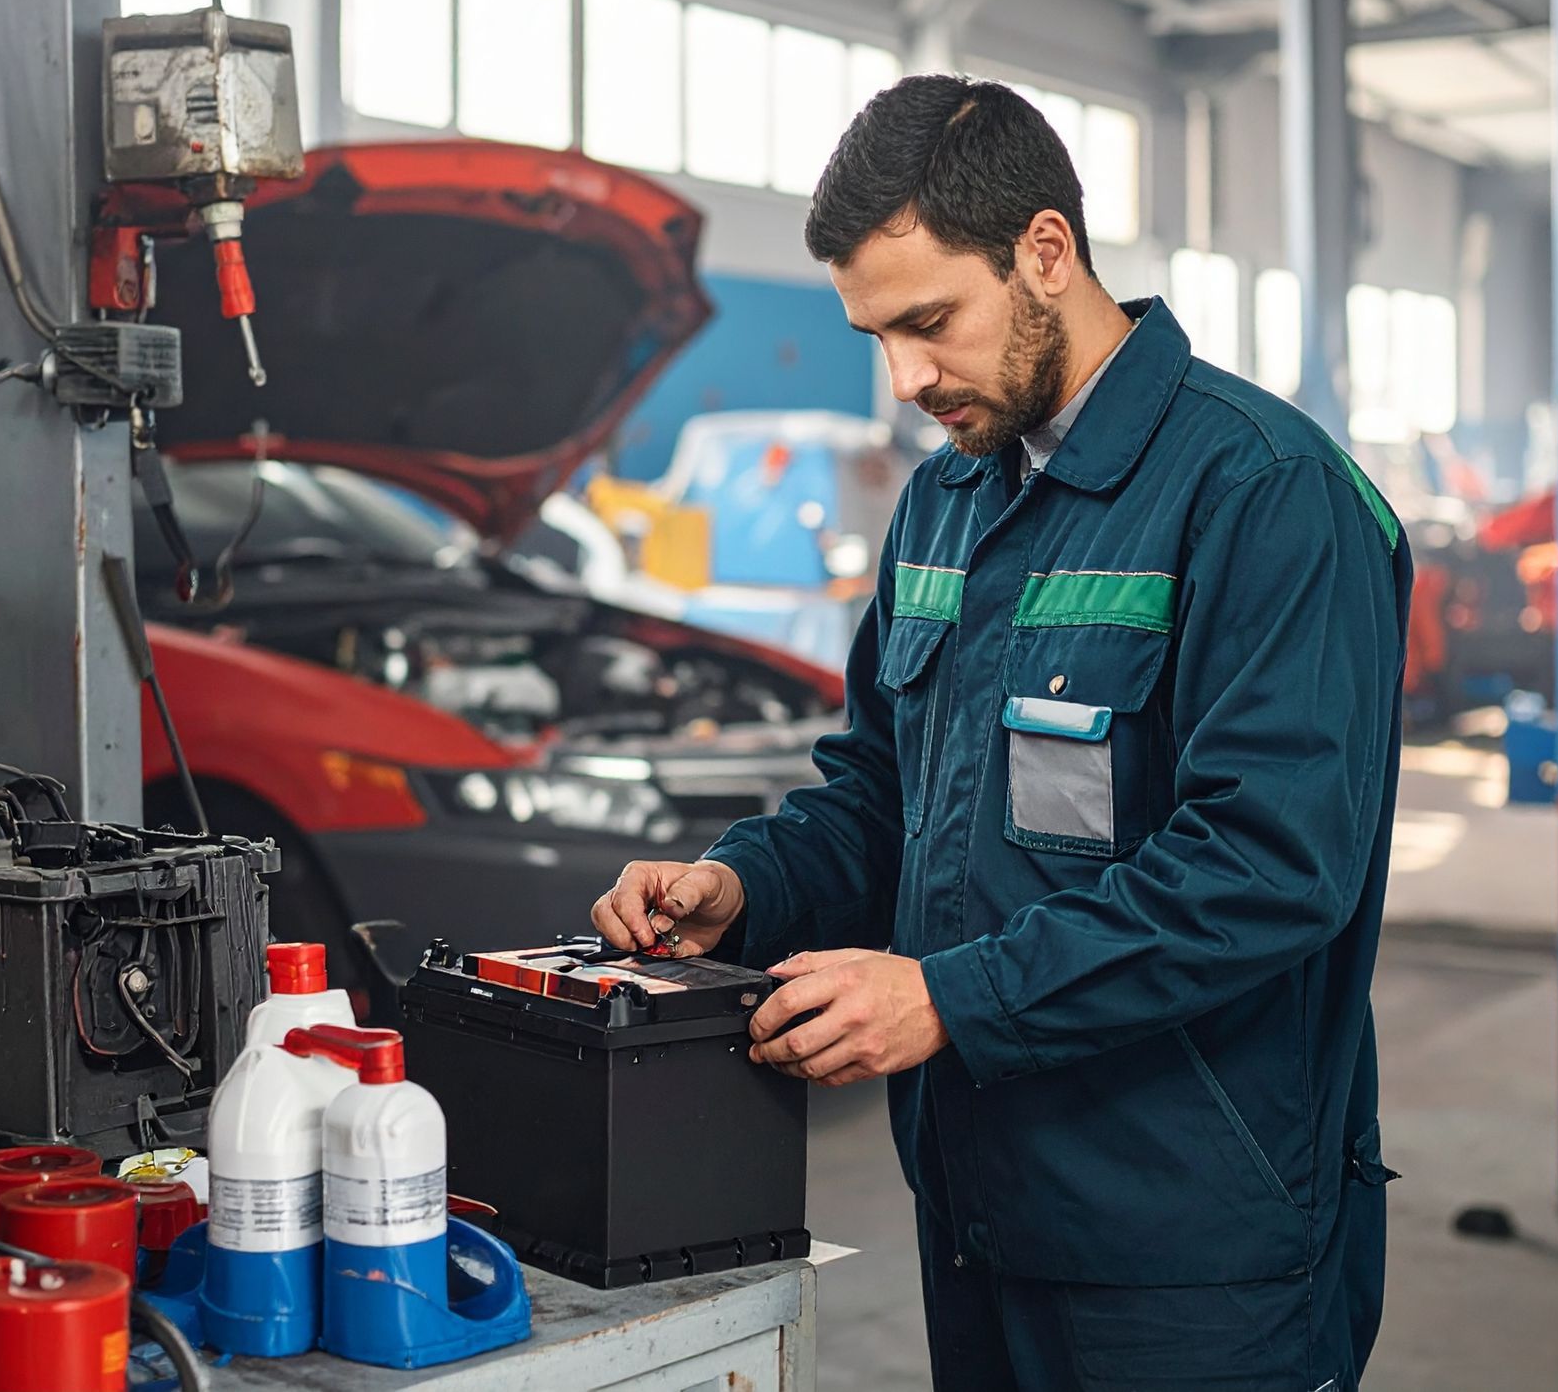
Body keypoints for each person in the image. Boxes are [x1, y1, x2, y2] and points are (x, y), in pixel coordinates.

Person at [593, 74, 1410, 1392]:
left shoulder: (1268, 493)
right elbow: (881, 793)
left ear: (1045, 251)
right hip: (977, 1207)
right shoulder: (946, 503)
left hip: (1194, 1252)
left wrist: (947, 997)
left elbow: (1268, 865)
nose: (907, 377)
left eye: (930, 322)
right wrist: (741, 885)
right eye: (878, 335)